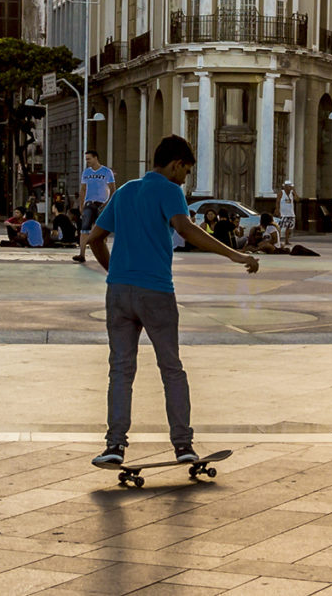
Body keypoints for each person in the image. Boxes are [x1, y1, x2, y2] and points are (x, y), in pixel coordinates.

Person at [84, 134, 260, 471]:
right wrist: (235, 255)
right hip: (156, 292)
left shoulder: (124, 191)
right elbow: (187, 229)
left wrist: (118, 271)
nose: (185, 179)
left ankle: (114, 445)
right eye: (186, 171)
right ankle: (183, 445)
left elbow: (95, 239)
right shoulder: (169, 190)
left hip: (119, 292)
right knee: (171, 369)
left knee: (121, 369)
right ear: (176, 164)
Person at [76, 153, 115, 265]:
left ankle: (103, 254)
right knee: (85, 228)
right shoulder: (86, 172)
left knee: (101, 229)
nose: (87, 161)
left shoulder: (107, 172)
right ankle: (82, 254)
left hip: (102, 203)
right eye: (86, 159)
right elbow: (83, 189)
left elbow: (112, 189)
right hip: (89, 203)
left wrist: (108, 203)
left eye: (89, 158)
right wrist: (81, 204)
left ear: (95, 158)